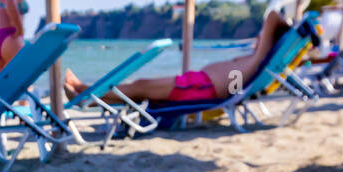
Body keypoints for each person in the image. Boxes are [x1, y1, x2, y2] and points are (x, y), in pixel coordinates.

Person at [64, 11, 294, 104]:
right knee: (140, 86)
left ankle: (87, 94)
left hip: (202, 88)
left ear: (269, 38)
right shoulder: (255, 58)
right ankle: (87, 92)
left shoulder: (258, 58)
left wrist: (289, 27)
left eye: (262, 34)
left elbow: (273, 16)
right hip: (198, 83)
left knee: (141, 86)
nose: (258, 35)